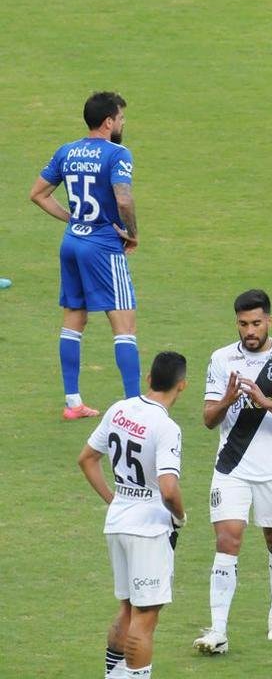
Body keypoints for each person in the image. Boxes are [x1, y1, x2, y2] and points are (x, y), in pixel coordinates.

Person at [193, 290, 272, 654]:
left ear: (269, 321)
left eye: (256, 323)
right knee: (227, 542)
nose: (250, 331)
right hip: (232, 468)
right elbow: (208, 420)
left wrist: (266, 402)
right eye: (243, 324)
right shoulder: (220, 359)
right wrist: (227, 400)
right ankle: (219, 631)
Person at [30, 91, 141, 419]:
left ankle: (73, 402)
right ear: (109, 122)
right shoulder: (117, 154)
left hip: (72, 243)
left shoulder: (67, 151)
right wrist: (132, 233)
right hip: (103, 246)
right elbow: (123, 199)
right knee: (124, 323)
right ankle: (135, 408)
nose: (122, 123)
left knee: (73, 320)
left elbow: (37, 194)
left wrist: (73, 219)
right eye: (121, 118)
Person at [78, 351, 188, 679]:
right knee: (145, 617)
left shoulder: (119, 409)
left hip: (118, 523)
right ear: (182, 386)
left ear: (149, 379)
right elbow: (168, 489)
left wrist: (115, 500)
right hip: (148, 531)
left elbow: (86, 459)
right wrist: (180, 517)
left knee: (126, 609)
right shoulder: (166, 427)